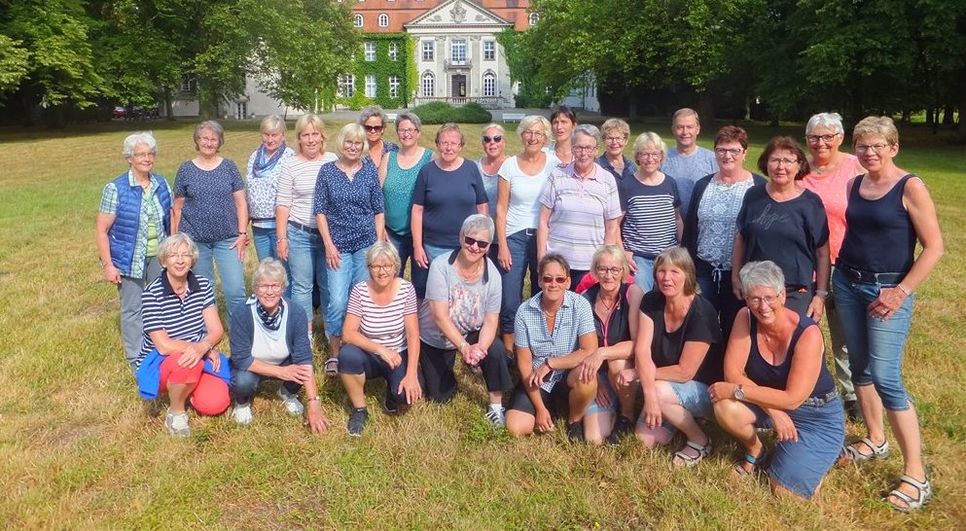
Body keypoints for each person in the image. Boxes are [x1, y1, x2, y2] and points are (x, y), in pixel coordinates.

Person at [835, 116, 943, 512]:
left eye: (878, 146)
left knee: (886, 377)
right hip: (847, 281)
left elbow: (934, 248)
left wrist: (900, 292)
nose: (870, 153)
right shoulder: (854, 183)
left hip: (887, 289)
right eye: (863, 146)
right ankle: (876, 439)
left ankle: (916, 474)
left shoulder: (910, 186)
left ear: (894, 147)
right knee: (859, 368)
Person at [710, 261, 845, 500]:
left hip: (815, 413)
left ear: (782, 295)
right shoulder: (745, 317)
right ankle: (757, 452)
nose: (763, 307)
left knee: (784, 492)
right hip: (770, 399)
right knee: (724, 406)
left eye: (769, 297)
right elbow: (733, 373)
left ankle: (823, 454)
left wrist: (737, 391)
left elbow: (792, 399)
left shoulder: (808, 334)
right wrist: (774, 411)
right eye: (754, 299)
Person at [133, 233, 231, 437]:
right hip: (161, 360)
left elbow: (216, 330)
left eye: (185, 255)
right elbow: (163, 345)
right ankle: (176, 413)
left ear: (193, 259)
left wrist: (204, 347)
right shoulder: (152, 294)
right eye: (173, 255)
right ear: (163, 260)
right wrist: (198, 350)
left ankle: (188, 389)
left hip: (197, 353)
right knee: (187, 361)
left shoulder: (203, 285)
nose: (179, 260)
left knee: (215, 404)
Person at [418, 215, 512, 424]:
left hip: (470, 331)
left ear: (488, 247)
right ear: (461, 238)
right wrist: (464, 348)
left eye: (482, 243)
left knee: (495, 349)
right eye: (470, 240)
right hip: (437, 337)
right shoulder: (441, 266)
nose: (474, 247)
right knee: (441, 397)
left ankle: (496, 406)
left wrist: (480, 349)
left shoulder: (493, 275)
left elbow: (490, 320)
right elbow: (440, 317)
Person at [633, 247, 723, 466]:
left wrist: (643, 379)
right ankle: (672, 411)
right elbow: (642, 350)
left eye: (675, 272)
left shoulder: (702, 312)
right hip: (663, 384)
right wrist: (649, 392)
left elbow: (684, 372)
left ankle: (699, 439)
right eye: (661, 271)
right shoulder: (651, 301)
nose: (667, 278)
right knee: (645, 439)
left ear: (688, 275)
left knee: (657, 390)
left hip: (705, 390)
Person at [801, 112, 864, 420]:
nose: (821, 143)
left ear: (840, 138)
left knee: (844, 334)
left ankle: (851, 393)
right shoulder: (800, 168)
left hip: (844, 262)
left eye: (828, 136)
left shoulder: (856, 166)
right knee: (803, 330)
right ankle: (804, 386)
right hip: (803, 263)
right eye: (814, 137)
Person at [96, 132, 173, 367]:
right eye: (140, 154)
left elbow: (170, 220)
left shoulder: (161, 184)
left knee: (163, 303)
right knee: (133, 308)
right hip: (128, 258)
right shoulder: (116, 188)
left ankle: (164, 348)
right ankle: (136, 358)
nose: (146, 158)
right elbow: (102, 229)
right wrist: (108, 265)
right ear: (129, 158)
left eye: (150, 154)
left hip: (158, 257)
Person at [682, 125, 766, 339]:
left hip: (740, 274)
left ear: (744, 153)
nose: (727, 156)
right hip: (704, 270)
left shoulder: (758, 187)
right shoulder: (703, 185)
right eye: (721, 150)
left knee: (736, 327)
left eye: (734, 150)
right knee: (701, 325)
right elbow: (691, 228)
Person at [228, 258, 330, 434]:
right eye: (263, 286)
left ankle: (287, 393)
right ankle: (242, 403)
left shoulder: (296, 312)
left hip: (284, 361)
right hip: (252, 365)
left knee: (305, 368)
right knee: (243, 381)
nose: (269, 292)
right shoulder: (242, 312)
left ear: (283, 288)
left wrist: (313, 402)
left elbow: (304, 358)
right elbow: (241, 358)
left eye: (275, 286)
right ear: (255, 288)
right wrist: (282, 372)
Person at [314, 123, 386, 374]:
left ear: (363, 145)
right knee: (336, 300)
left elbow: (378, 210)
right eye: (348, 142)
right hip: (338, 248)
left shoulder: (369, 171)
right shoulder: (327, 172)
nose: (353, 147)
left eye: (358, 143)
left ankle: (358, 349)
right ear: (341, 144)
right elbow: (320, 211)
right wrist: (328, 244)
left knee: (362, 301)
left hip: (365, 247)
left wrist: (377, 245)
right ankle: (335, 353)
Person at [733, 136, 830, 319]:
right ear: (766, 163)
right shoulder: (753, 196)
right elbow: (741, 238)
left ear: (799, 165)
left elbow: (823, 252)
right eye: (775, 160)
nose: (780, 167)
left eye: (787, 161)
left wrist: (820, 295)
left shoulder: (811, 203)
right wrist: (736, 277)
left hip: (795, 291)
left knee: (795, 343)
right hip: (756, 290)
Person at [505, 254, 599, 440]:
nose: (553, 284)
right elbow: (524, 366)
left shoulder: (580, 305)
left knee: (588, 377)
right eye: (547, 279)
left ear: (568, 282)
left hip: (567, 375)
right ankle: (546, 407)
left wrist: (550, 363)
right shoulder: (524, 311)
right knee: (515, 427)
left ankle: (574, 421)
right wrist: (539, 409)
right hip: (538, 380)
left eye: (560, 279)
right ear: (539, 280)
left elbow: (590, 350)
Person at [339, 242, 423, 436]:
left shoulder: (406, 289)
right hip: (370, 353)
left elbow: (412, 334)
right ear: (369, 268)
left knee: (404, 397)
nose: (382, 271)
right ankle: (360, 410)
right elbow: (348, 333)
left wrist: (411, 374)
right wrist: (380, 349)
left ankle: (391, 396)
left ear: (396, 266)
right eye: (376, 266)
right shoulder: (360, 291)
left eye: (387, 266)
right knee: (347, 356)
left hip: (398, 354)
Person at [172, 120, 248, 321]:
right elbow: (177, 208)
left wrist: (242, 234)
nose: (209, 142)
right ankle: (208, 332)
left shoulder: (229, 167)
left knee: (235, 289)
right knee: (203, 292)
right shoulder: (186, 169)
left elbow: (241, 203)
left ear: (220, 142)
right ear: (197, 141)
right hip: (196, 241)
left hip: (228, 239)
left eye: (214, 139)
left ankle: (239, 334)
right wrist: (175, 241)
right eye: (204, 138)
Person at [275, 114, 337, 343]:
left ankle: (333, 334)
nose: (311, 139)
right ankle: (305, 335)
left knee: (329, 285)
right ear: (299, 139)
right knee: (302, 287)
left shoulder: (332, 160)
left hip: (329, 236)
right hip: (300, 233)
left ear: (322, 137)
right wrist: (282, 238)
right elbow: (282, 204)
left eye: (315, 134)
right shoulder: (290, 165)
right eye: (305, 135)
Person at [495, 115, 555, 350]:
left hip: (545, 236)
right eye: (529, 132)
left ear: (545, 138)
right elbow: (501, 208)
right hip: (515, 237)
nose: (533, 137)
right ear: (521, 135)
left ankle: (540, 343)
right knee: (510, 297)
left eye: (539, 133)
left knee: (545, 292)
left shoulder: (554, 163)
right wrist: (503, 245)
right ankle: (510, 348)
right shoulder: (509, 165)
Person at [538, 124, 622, 289]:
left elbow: (612, 227)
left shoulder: (607, 180)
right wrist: (542, 258)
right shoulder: (557, 175)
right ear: (572, 148)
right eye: (578, 148)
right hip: (558, 265)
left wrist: (603, 263)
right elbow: (542, 220)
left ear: (596, 149)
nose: (584, 153)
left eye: (589, 148)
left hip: (590, 267)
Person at [411, 123, 488, 299]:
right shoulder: (427, 172)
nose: (449, 147)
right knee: (435, 296)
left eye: (454, 143)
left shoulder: (471, 169)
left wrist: (482, 240)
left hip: (467, 247)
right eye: (444, 143)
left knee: (462, 296)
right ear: (437, 144)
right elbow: (417, 210)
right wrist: (417, 246)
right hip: (433, 247)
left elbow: (482, 206)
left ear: (461, 146)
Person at [577, 245, 644, 444]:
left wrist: (602, 353)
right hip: (595, 373)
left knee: (617, 363)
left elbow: (637, 345)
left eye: (615, 269)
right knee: (594, 438)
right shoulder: (584, 299)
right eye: (603, 269)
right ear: (595, 271)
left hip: (625, 370)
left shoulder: (633, 294)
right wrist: (595, 382)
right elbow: (579, 348)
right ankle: (611, 407)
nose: (608, 275)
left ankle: (627, 415)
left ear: (623, 271)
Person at [619, 132, 682, 292]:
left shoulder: (670, 183)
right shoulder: (627, 185)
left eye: (655, 154)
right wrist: (623, 253)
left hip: (668, 256)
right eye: (645, 154)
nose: (650, 159)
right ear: (637, 157)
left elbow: (677, 218)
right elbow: (615, 224)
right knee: (640, 300)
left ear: (661, 157)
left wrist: (681, 246)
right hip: (639, 258)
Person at [379, 112, 433, 276]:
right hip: (392, 234)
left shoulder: (430, 158)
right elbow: (377, 196)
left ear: (418, 132)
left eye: (411, 129)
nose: (406, 134)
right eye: (402, 130)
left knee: (422, 284)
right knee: (391, 278)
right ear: (397, 133)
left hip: (422, 234)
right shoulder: (389, 158)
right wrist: (380, 228)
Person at [245, 115, 295, 266]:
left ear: (283, 135)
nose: (270, 139)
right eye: (266, 135)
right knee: (266, 270)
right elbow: (248, 191)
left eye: (274, 135)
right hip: (259, 226)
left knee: (283, 272)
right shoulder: (255, 156)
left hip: (280, 226)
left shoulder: (289, 157)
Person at [661, 108, 718, 217]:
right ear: (673, 129)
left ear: (698, 129)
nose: (685, 132)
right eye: (680, 127)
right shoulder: (660, 158)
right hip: (669, 226)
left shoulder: (712, 159)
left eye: (689, 127)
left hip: (701, 227)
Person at [476, 123, 508, 222]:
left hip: (506, 228)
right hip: (480, 228)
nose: (492, 142)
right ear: (483, 143)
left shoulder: (512, 166)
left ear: (504, 142)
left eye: (497, 138)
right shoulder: (474, 167)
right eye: (487, 139)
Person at [598, 118, 637, 183]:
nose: (614, 142)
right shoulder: (597, 166)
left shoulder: (632, 166)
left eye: (618, 138)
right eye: (610, 138)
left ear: (626, 141)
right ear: (603, 140)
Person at [359, 105, 398, 169]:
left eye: (377, 128)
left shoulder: (392, 149)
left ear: (382, 129)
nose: (373, 131)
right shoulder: (357, 150)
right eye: (368, 128)